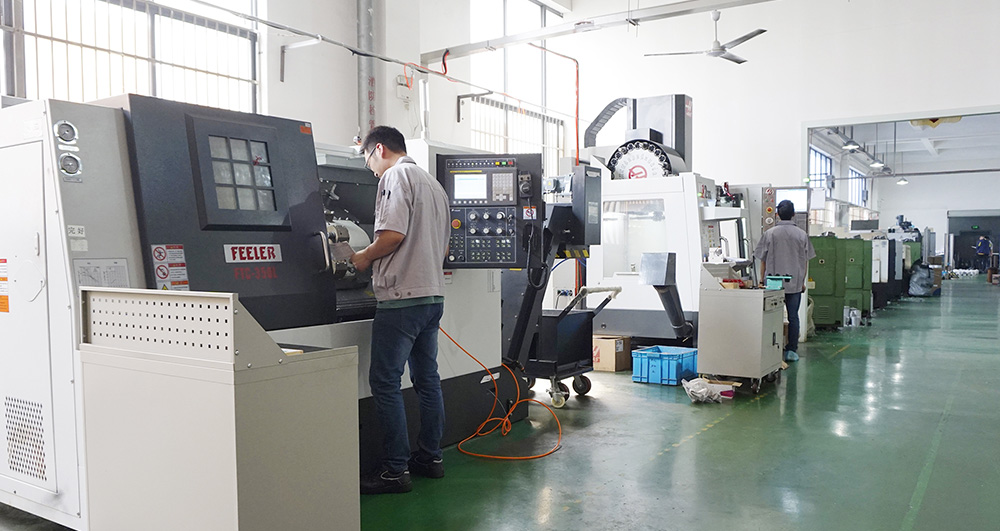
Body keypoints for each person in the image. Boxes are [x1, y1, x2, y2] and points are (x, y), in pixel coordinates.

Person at [351, 126, 450, 495]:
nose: (371, 169)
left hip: (401, 299)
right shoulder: (434, 185)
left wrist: (363, 257)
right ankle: (431, 457)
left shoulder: (395, 176)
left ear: (379, 149)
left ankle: (395, 470)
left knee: (385, 383)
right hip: (432, 297)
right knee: (427, 380)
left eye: (368, 160)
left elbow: (392, 235)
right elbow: (442, 249)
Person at [754, 200, 815, 362]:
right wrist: (802, 282)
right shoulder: (802, 235)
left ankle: (770, 349)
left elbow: (762, 260)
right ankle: (791, 351)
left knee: (772, 316)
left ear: (777, 214)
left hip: (772, 284)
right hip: (794, 284)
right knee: (793, 317)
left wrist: (761, 280)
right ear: (794, 214)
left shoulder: (769, 234)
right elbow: (805, 261)